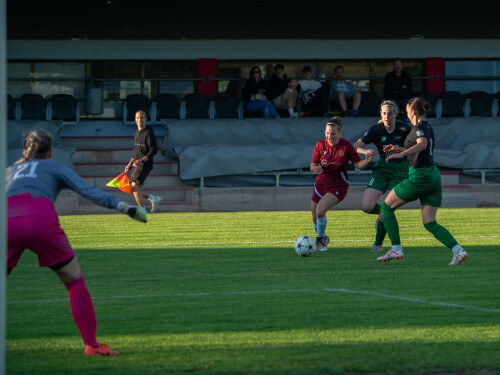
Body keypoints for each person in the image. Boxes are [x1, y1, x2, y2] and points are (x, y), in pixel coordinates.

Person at [6, 129, 148, 356]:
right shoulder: (53, 167)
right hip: (40, 218)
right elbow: (88, 191)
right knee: (74, 282)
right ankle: (91, 345)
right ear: (50, 153)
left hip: (6, 221)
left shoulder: (10, 170)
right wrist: (124, 207)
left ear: (24, 151)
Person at [376, 97, 468, 265]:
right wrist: (398, 149)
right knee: (429, 222)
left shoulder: (418, 127)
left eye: (406, 111)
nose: (406, 115)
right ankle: (457, 250)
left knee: (386, 207)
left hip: (420, 176)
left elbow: (422, 144)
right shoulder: (426, 126)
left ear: (412, 112)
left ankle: (395, 247)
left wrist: (401, 154)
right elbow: (419, 147)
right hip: (433, 175)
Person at [353, 100, 412, 252]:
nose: (387, 116)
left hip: (400, 170)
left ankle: (377, 245)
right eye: (384, 113)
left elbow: (415, 147)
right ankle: (383, 216)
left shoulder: (405, 128)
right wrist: (366, 152)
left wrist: (399, 150)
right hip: (383, 168)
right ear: (381, 114)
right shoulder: (376, 129)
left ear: (395, 114)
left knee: (386, 209)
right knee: (366, 206)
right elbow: (356, 146)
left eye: (390, 113)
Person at [310, 116, 374, 251]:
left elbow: (358, 164)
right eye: (327, 133)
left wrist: (367, 160)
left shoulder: (346, 146)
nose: (329, 136)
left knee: (320, 211)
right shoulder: (320, 145)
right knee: (315, 217)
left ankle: (319, 241)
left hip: (338, 186)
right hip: (320, 184)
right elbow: (312, 165)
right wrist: (315, 168)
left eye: (333, 133)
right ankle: (324, 238)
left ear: (339, 133)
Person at [125, 109, 162, 213]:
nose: (139, 119)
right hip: (137, 164)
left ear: (145, 119)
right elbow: (136, 152)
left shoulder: (148, 133)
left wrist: (142, 160)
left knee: (134, 186)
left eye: (142, 117)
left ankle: (142, 211)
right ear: (135, 119)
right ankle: (153, 198)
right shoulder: (137, 132)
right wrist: (129, 165)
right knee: (130, 187)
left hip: (145, 164)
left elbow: (154, 150)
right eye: (137, 117)